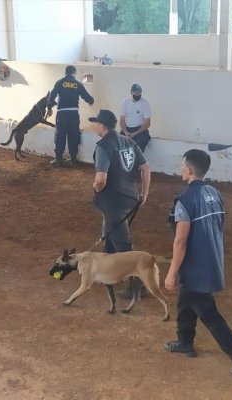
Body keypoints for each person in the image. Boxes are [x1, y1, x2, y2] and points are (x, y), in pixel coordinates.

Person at [163, 149, 232, 379]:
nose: (181, 167)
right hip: (211, 261)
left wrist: (172, 271)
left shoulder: (184, 200)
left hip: (195, 268)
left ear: (190, 169)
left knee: (210, 316)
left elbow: (180, 240)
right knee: (186, 302)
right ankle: (185, 341)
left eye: (182, 164)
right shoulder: (215, 194)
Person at [90, 109, 151, 297]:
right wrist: (144, 193)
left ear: (102, 126)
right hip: (129, 198)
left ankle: (138, 286)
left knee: (123, 245)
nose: (94, 126)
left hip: (112, 201)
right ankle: (107, 273)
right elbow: (146, 168)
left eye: (96, 123)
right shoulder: (129, 142)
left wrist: (96, 188)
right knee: (109, 236)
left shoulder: (103, 147)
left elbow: (101, 179)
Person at [46, 65, 94, 167]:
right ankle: (73, 160)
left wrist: (49, 107)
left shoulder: (60, 82)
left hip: (62, 114)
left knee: (60, 135)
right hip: (73, 114)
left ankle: (59, 160)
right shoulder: (78, 84)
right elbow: (88, 98)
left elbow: (52, 95)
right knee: (73, 135)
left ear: (66, 72)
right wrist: (91, 101)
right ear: (74, 73)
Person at [119, 84, 152, 152]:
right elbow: (122, 120)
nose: (138, 95)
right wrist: (125, 132)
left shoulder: (145, 103)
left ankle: (139, 162)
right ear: (131, 92)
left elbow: (147, 123)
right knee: (118, 143)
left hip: (140, 130)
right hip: (127, 130)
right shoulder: (125, 102)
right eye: (136, 93)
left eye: (139, 93)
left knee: (139, 144)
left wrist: (135, 133)